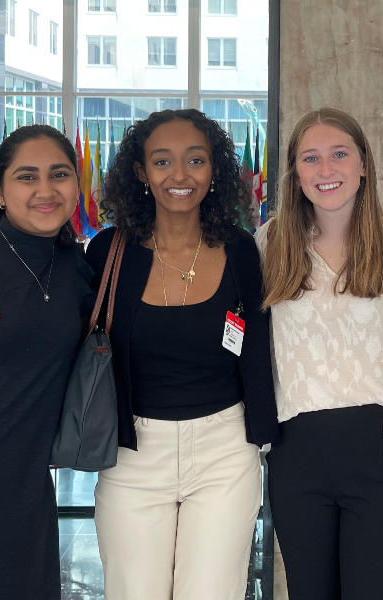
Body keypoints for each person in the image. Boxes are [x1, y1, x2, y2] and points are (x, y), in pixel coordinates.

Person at [85, 108, 279, 600]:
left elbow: (258, 343)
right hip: (131, 454)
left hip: (224, 450)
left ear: (214, 170)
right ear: (140, 171)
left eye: (196, 160)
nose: (179, 175)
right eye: (162, 161)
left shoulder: (238, 249)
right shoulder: (108, 251)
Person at [254, 107, 383, 600]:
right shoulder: (270, 243)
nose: (325, 170)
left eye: (339, 154)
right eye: (310, 158)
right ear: (295, 172)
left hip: (382, 448)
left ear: (364, 164)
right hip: (296, 449)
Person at [0, 125, 94, 600]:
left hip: (24, 484)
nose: (46, 190)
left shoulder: (81, 268)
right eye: (27, 176)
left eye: (59, 174)